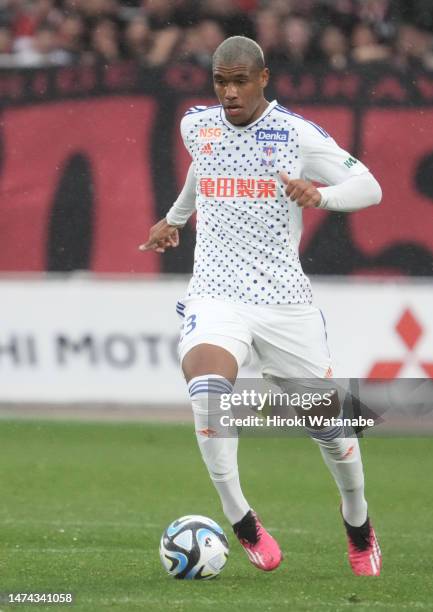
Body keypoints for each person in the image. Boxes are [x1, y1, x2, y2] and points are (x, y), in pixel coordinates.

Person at [140, 36, 382, 576]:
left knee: (332, 430)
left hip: (283, 302)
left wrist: (321, 197)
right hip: (216, 293)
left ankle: (358, 522)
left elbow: (370, 188)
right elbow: (202, 171)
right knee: (208, 394)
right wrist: (176, 219)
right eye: (220, 81)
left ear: (263, 78)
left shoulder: (296, 135)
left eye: (239, 81)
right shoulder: (196, 125)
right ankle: (242, 519)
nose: (228, 91)